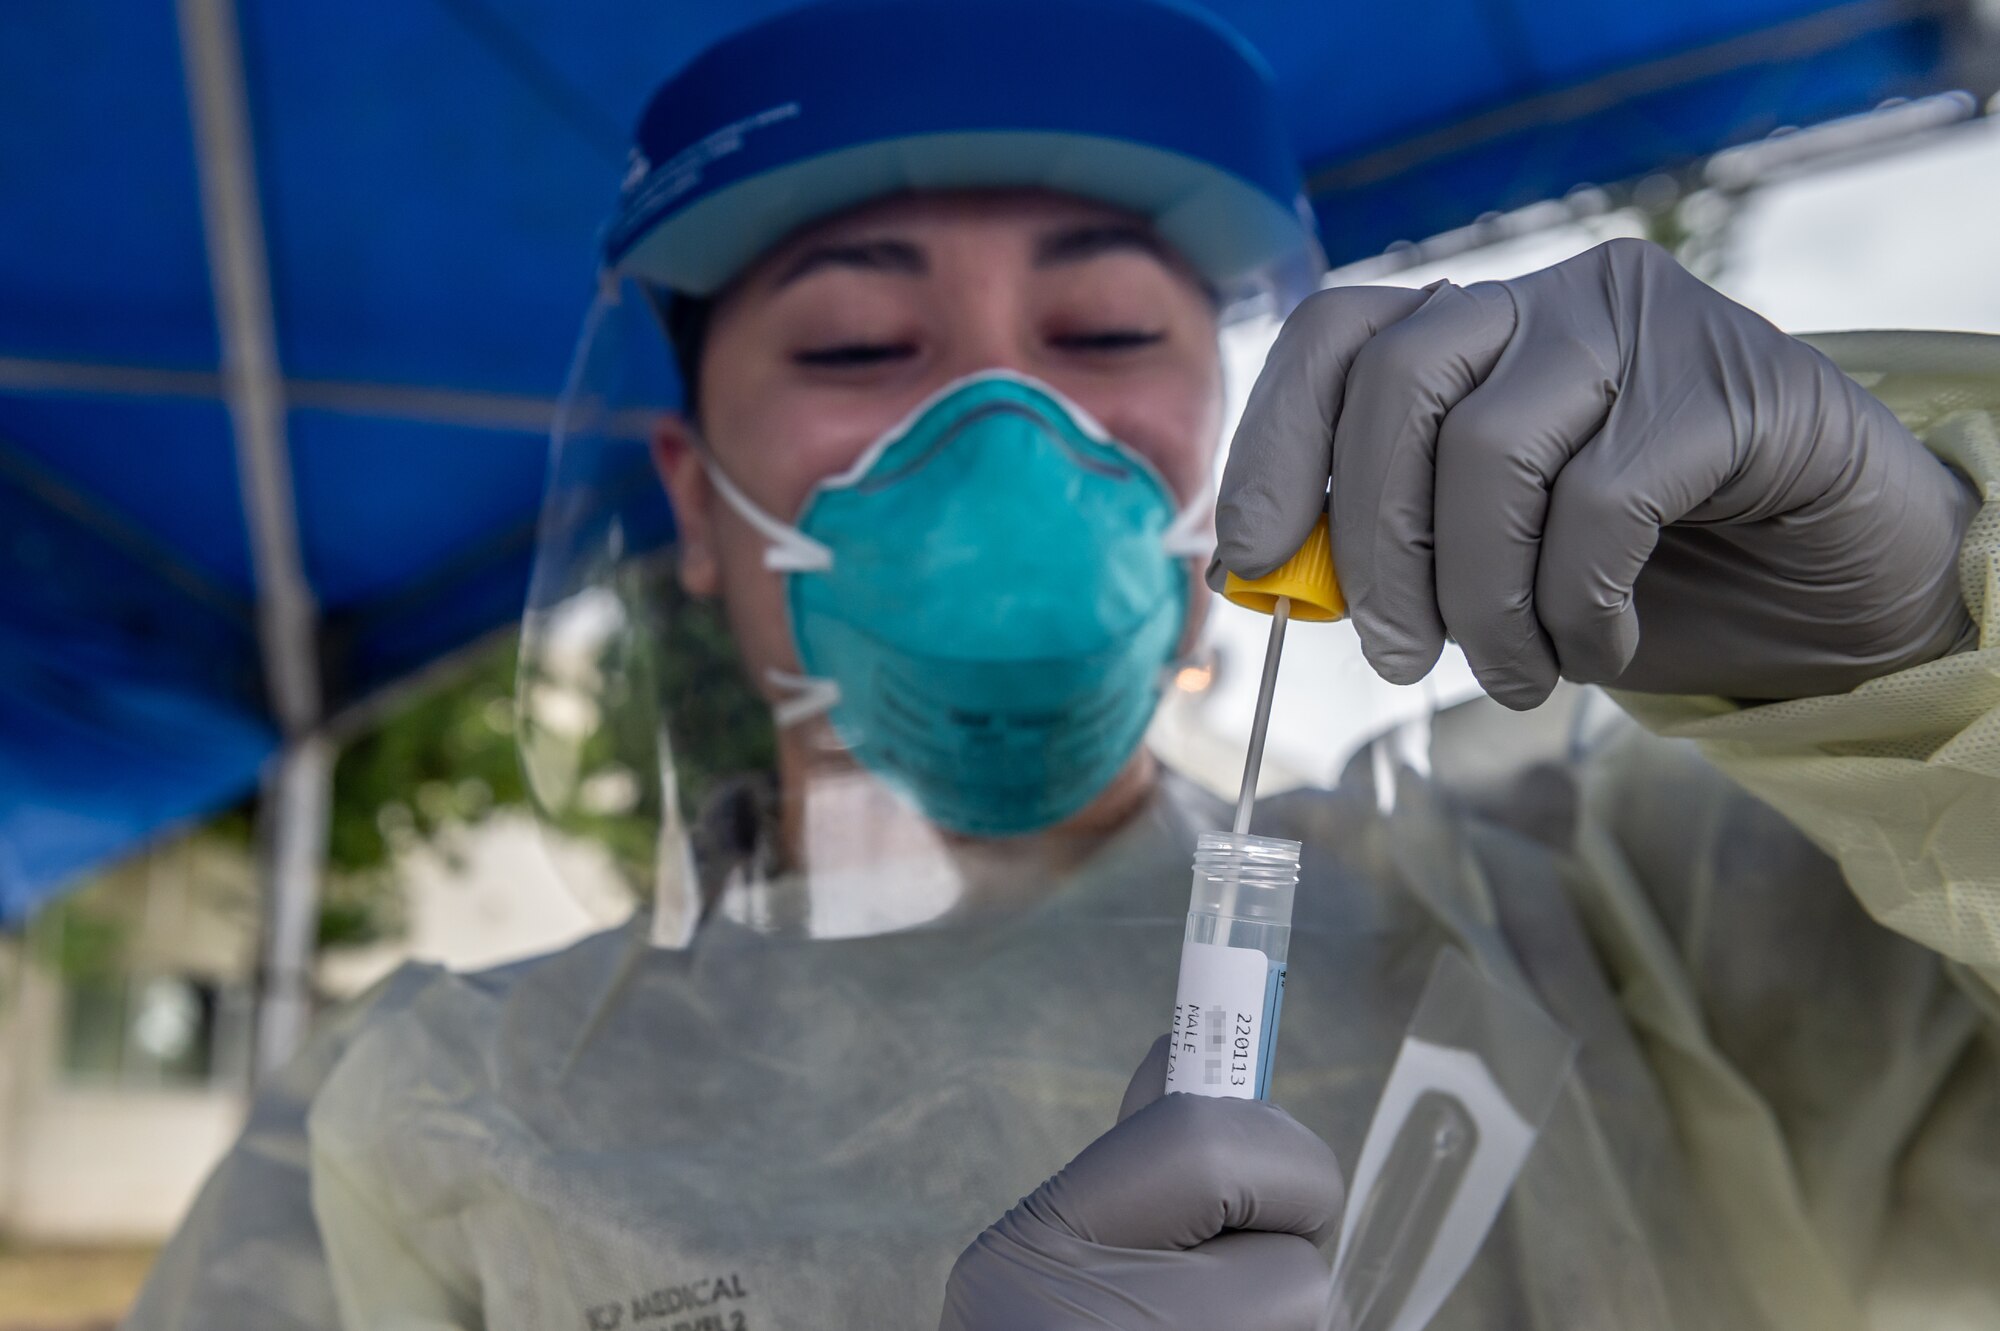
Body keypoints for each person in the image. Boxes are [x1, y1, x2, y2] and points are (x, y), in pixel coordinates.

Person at [130, 1, 2000, 1328]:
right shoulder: (438, 1116)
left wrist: (1933, 652)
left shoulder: (1608, 925)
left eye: (1105, 328)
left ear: (1227, 445)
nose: (1000, 427)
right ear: (692, 509)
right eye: (861, 347)